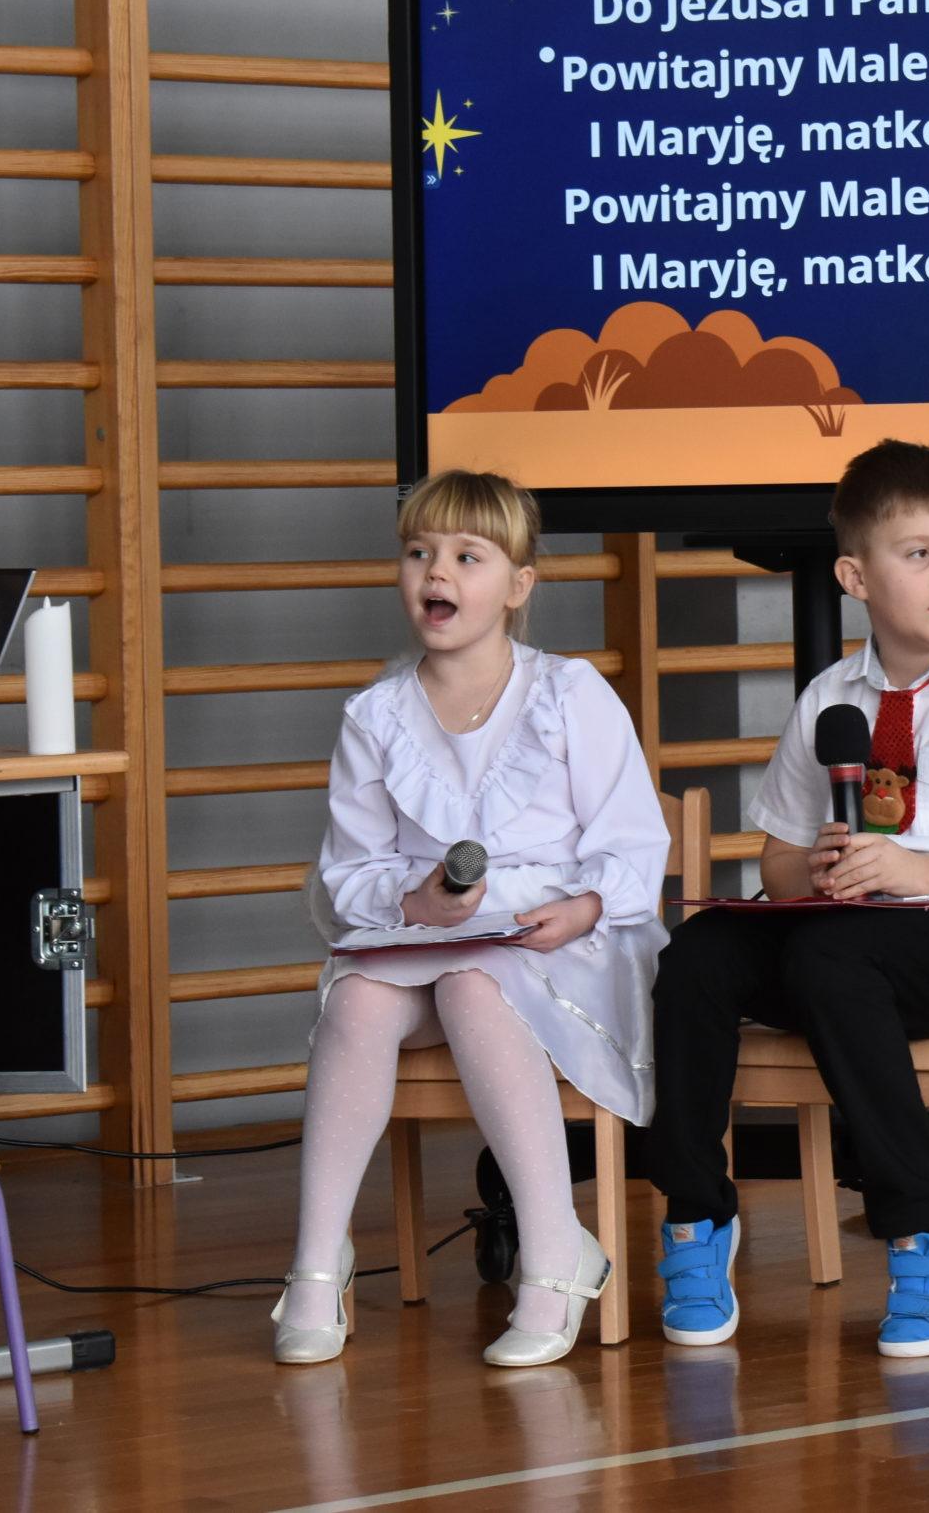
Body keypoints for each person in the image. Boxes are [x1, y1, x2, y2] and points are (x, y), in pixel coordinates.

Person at [647, 439, 929, 1359]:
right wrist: (821, 869)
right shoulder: (831, 698)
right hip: (851, 940)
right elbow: (779, 860)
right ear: (855, 577)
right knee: (698, 951)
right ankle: (697, 1213)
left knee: (833, 957)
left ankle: (928, 1223)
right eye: (919, 553)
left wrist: (914, 871)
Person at [278, 469, 670, 1369]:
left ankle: (555, 1247)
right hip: (436, 937)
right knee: (358, 999)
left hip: (568, 943)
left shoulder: (569, 694)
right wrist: (413, 901)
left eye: (467, 556)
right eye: (419, 552)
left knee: (471, 985)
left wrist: (582, 907)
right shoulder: (375, 715)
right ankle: (315, 1260)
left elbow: (633, 843)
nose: (436, 572)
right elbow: (351, 871)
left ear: (518, 585)